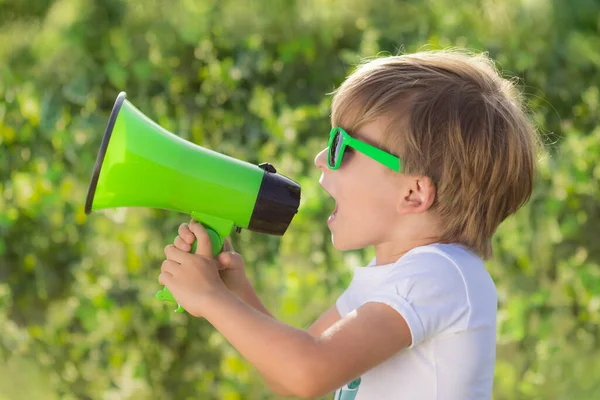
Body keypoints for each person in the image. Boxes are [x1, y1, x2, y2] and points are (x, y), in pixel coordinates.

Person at [158, 48, 540, 399]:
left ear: (414, 193)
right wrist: (236, 292)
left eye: (344, 147)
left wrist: (211, 299)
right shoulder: (388, 276)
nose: (322, 158)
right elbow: (287, 376)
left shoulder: (441, 275)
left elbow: (308, 372)